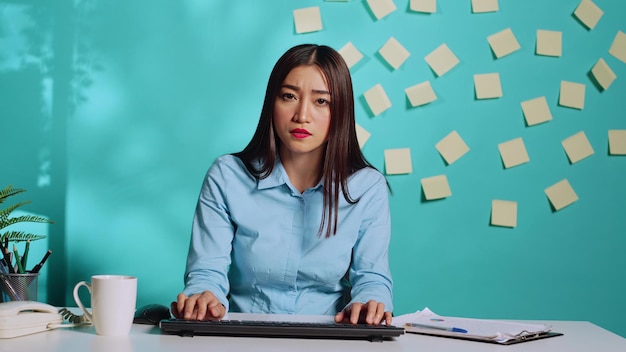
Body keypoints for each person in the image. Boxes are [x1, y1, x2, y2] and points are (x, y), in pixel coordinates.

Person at [172, 44, 393, 326]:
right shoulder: (227, 176)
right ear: (271, 103)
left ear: (341, 112)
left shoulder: (366, 187)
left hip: (330, 340)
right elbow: (206, 270)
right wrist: (203, 297)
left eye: (321, 101)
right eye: (289, 96)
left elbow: (372, 277)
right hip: (242, 337)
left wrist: (369, 304)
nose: (302, 115)